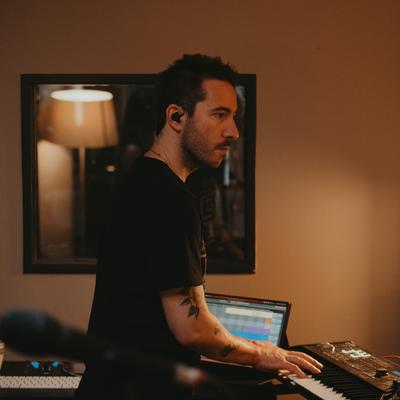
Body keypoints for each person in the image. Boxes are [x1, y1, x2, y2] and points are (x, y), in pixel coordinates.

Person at [75, 54, 323, 400]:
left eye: (233, 117)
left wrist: (254, 345)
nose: (233, 131)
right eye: (219, 115)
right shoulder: (170, 199)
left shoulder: (141, 181)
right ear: (176, 117)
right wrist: (261, 354)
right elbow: (192, 329)